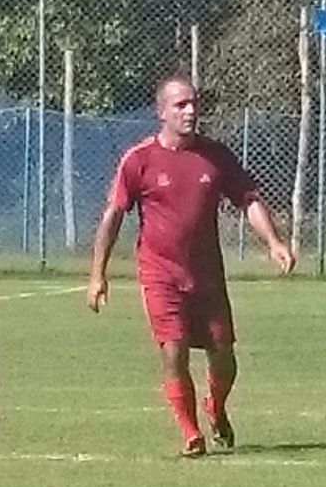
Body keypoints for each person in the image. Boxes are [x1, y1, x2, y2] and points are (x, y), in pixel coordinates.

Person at [87, 72, 295, 457]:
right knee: (174, 349)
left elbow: (248, 200)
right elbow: (113, 216)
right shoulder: (139, 160)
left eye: (194, 103)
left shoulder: (215, 156)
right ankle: (190, 432)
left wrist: (274, 242)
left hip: (207, 276)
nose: (190, 111)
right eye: (181, 104)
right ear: (161, 111)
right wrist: (97, 275)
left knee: (223, 357)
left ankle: (215, 406)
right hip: (160, 274)